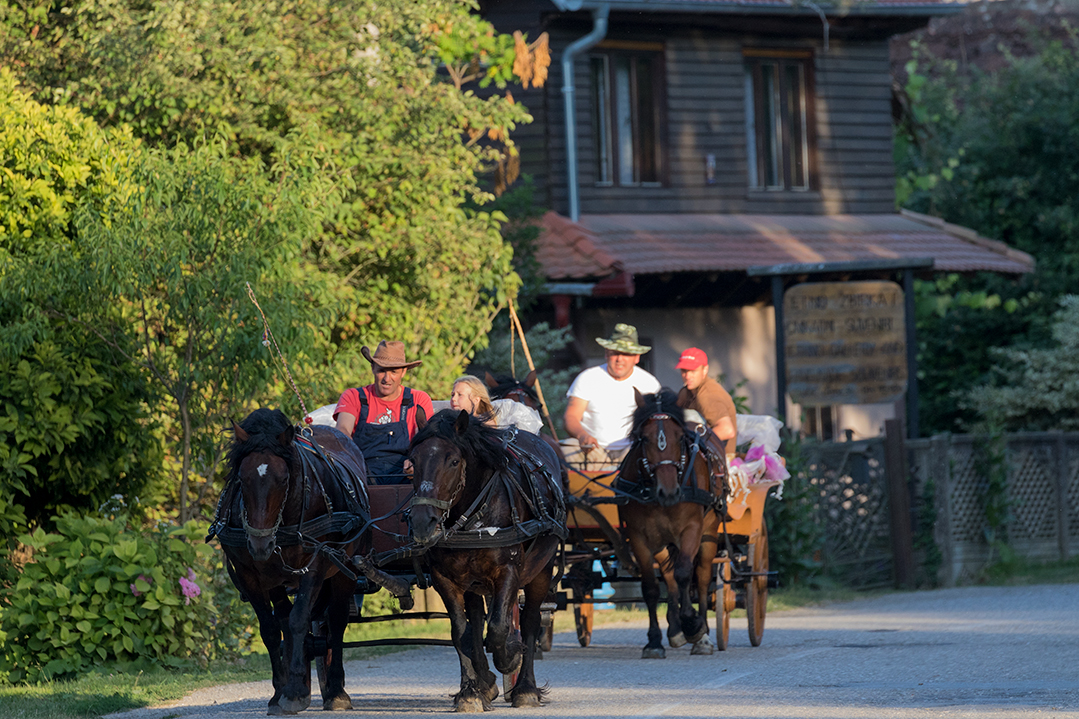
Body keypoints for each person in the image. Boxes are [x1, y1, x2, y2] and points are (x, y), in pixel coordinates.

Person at [334, 341, 435, 484]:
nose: (387, 379)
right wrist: (353, 462)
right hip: (362, 475)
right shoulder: (353, 396)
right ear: (373, 368)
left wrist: (415, 461)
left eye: (394, 372)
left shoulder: (418, 399)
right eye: (382, 370)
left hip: (404, 477)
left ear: (403, 372)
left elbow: (425, 438)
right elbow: (342, 430)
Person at [563, 323, 661, 464]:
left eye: (626, 354)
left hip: (633, 450)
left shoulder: (650, 384)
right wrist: (582, 436)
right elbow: (571, 416)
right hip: (592, 450)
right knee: (564, 452)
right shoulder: (587, 378)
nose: (619, 359)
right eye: (614, 352)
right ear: (606, 353)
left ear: (637, 357)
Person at [674, 347, 738, 457]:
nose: (687, 376)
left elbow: (727, 430)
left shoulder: (708, 395)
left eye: (693, 371)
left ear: (705, 370)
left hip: (717, 462)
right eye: (684, 371)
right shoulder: (688, 391)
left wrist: (692, 443)